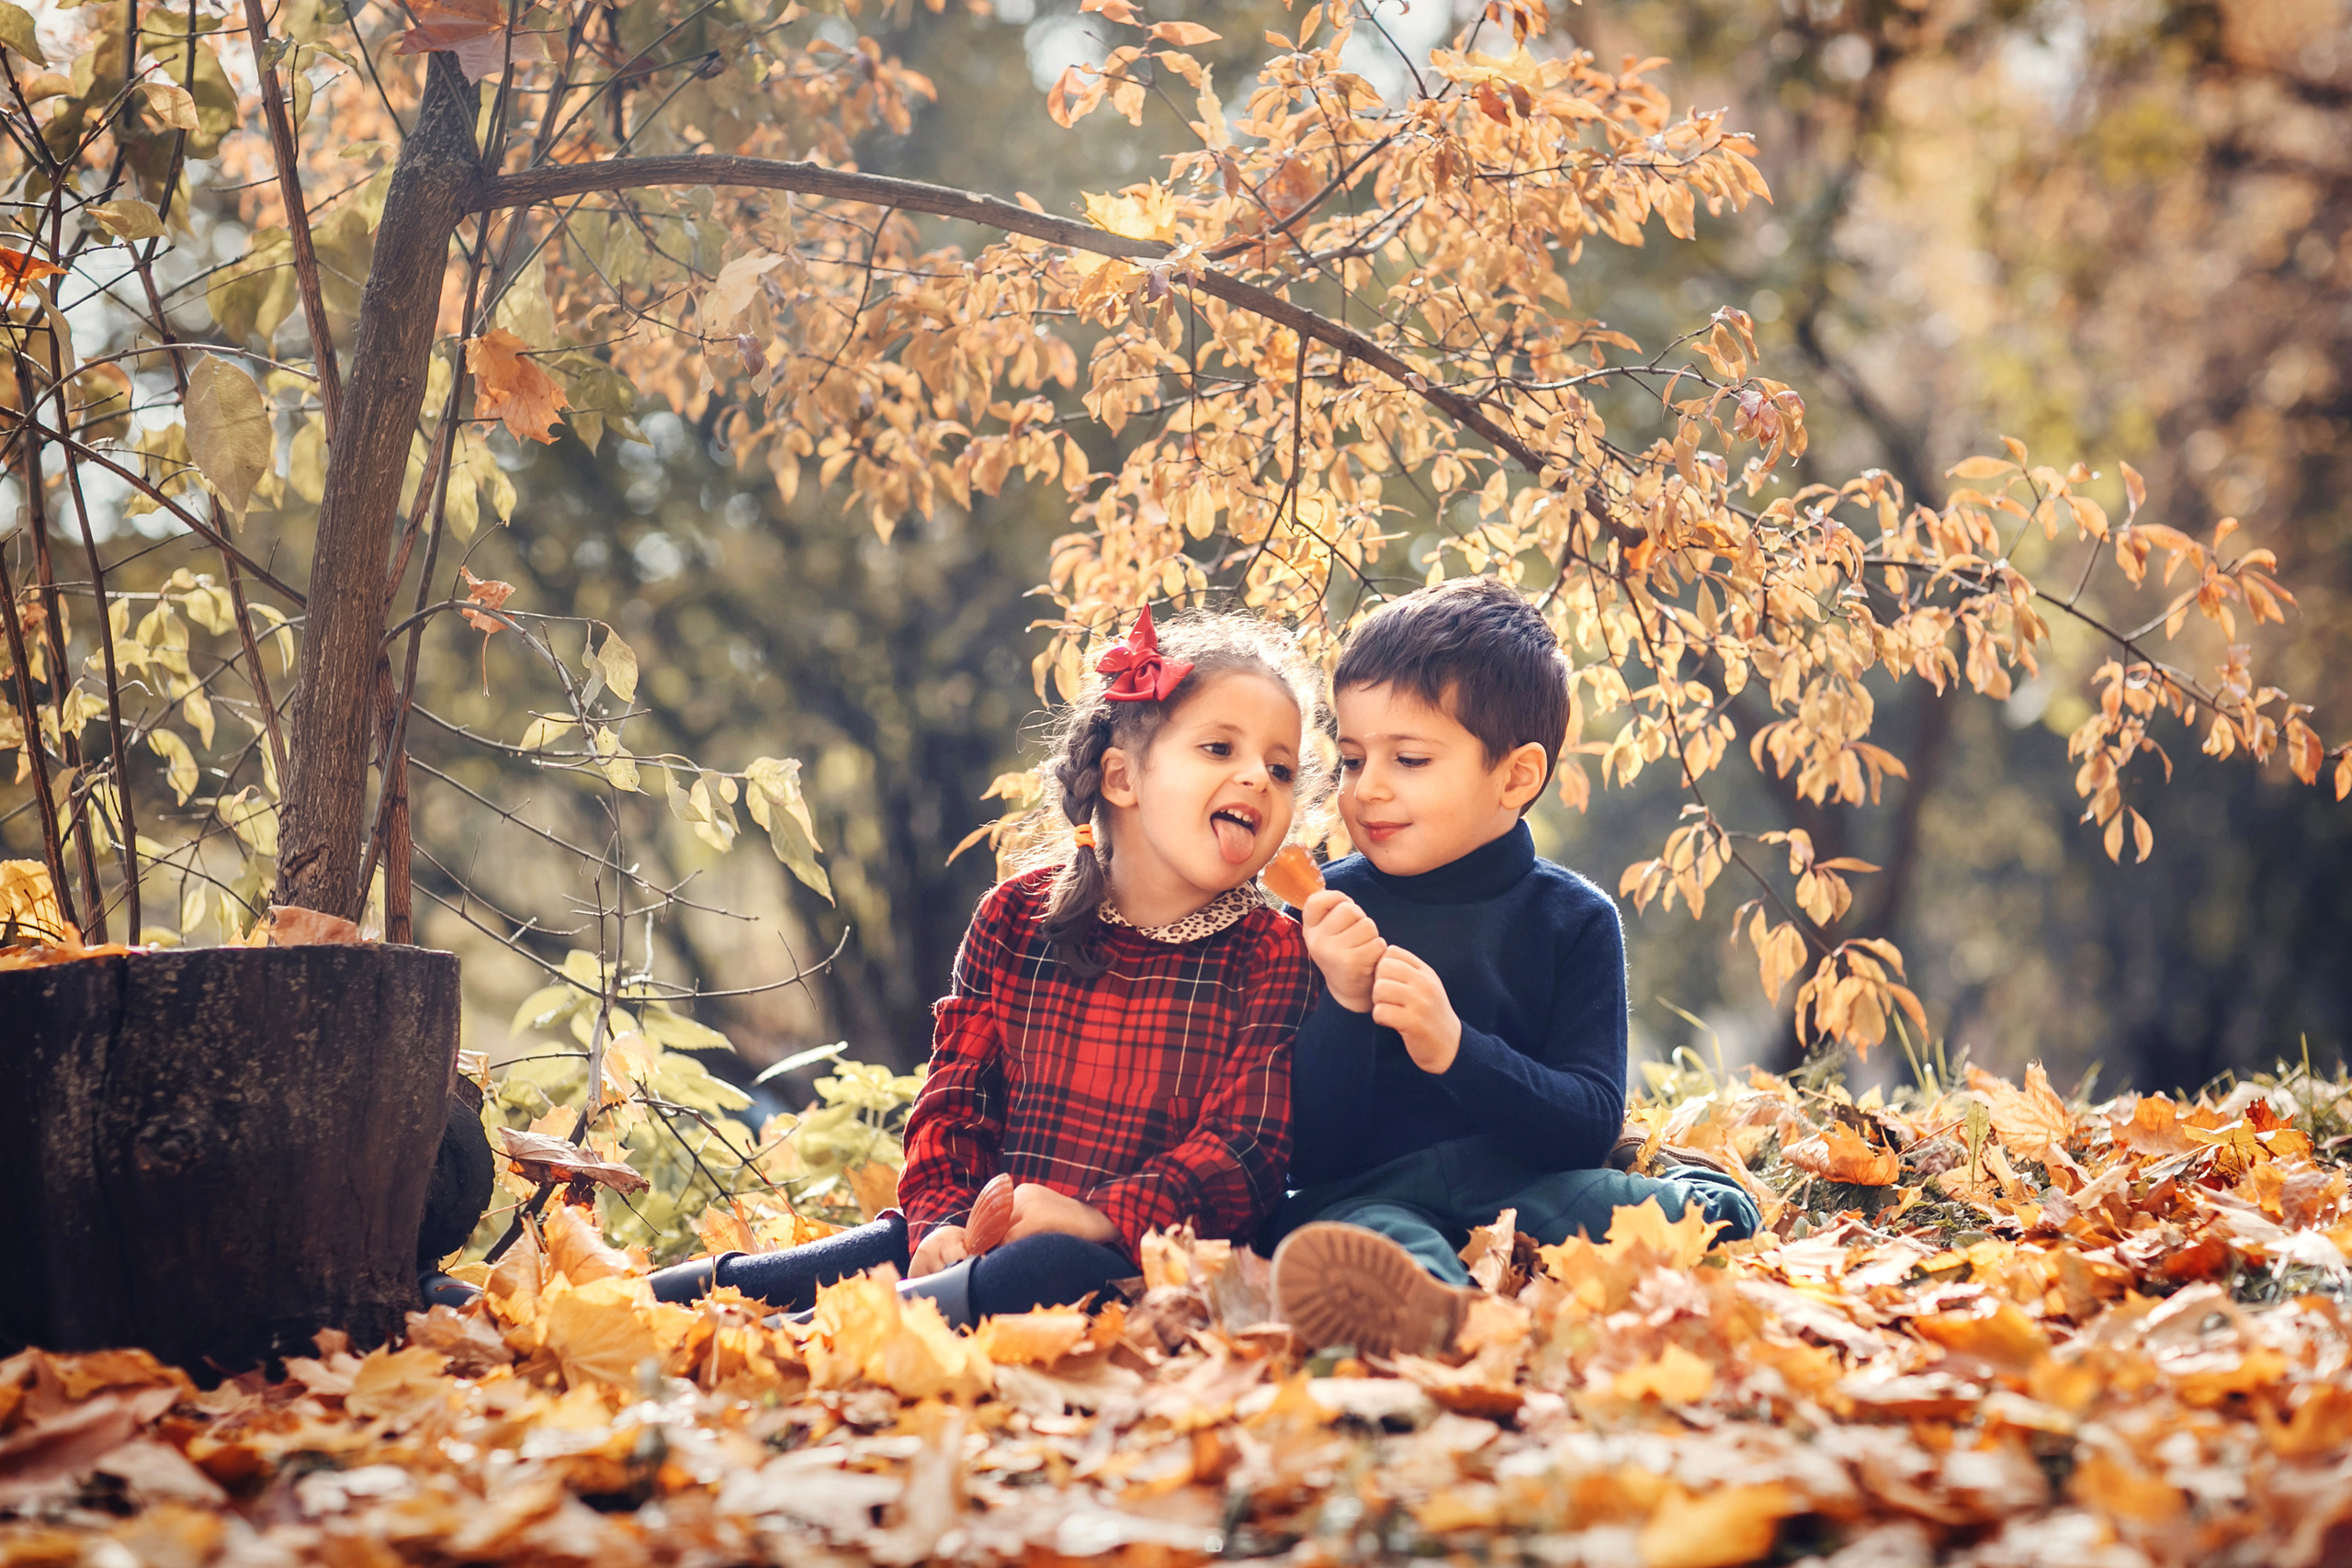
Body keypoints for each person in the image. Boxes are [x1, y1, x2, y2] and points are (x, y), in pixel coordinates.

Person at [651, 607, 1323, 1325]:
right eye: (1220, 748)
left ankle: (827, 1336)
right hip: (978, 1232)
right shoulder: (1015, 916)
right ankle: (670, 1303)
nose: (1258, 777)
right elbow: (954, 1102)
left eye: (1280, 768)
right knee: (864, 1249)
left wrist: (1096, 1215)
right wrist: (940, 1222)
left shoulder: (1271, 952)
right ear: (1122, 779)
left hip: (1131, 1260)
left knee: (1052, 1268)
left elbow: (1242, 1152)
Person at [1264, 578, 1759, 1357]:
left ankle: (1699, 1205)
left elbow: (1586, 1122)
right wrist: (1343, 1000)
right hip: (1370, 1189)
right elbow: (1314, 1151)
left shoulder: (1574, 919)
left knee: (1655, 1212)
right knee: (1369, 1235)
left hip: (1529, 1183)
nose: (1369, 788)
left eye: (1411, 758)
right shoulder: (1320, 914)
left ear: (1517, 777)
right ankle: (1430, 1306)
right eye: (1353, 759)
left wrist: (1457, 1048)